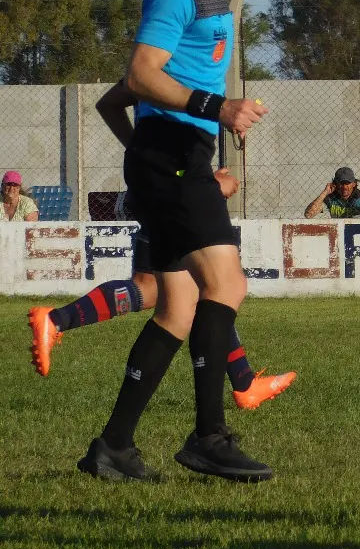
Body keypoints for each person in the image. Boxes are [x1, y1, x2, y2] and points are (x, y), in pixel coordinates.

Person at [75, 0, 273, 483]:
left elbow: (115, 100)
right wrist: (215, 111)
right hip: (177, 159)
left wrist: (148, 156)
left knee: (178, 309)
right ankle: (209, 438)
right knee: (227, 284)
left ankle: (113, 448)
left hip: (173, 158)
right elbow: (140, 74)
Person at [26, 79, 296, 411]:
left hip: (158, 187)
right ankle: (235, 393)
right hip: (175, 192)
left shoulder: (152, 69)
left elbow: (111, 104)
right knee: (211, 288)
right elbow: (168, 146)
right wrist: (209, 185)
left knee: (160, 288)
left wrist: (142, 154)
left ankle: (242, 383)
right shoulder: (173, 69)